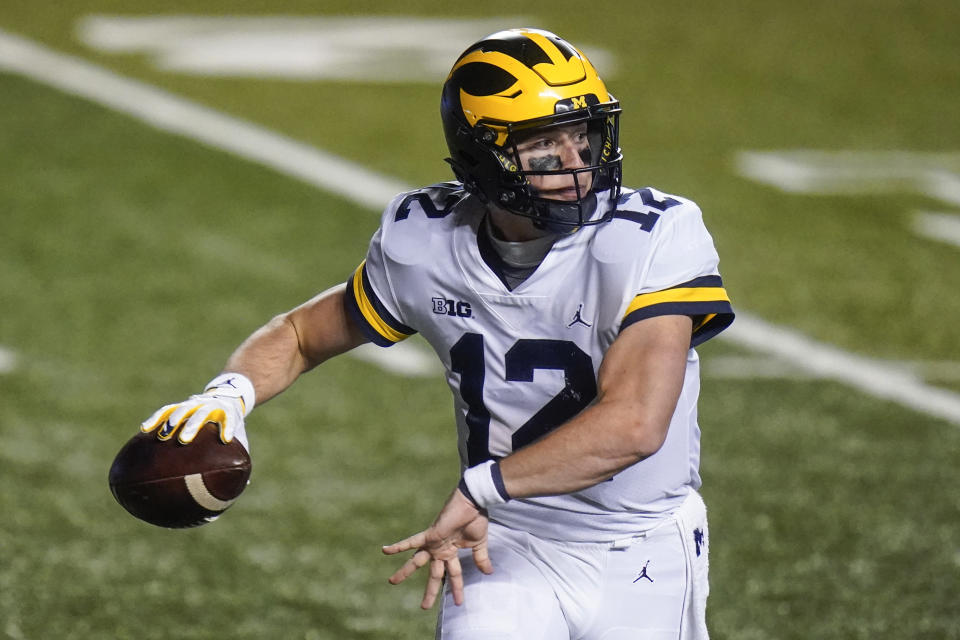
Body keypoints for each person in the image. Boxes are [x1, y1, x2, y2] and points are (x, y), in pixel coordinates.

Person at [140, 27, 734, 639]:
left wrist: (483, 487)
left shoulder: (654, 234)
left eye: (582, 137)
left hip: (638, 549)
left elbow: (635, 424)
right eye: (544, 148)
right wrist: (227, 396)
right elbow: (299, 334)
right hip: (504, 539)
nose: (577, 166)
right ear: (484, 156)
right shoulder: (426, 241)